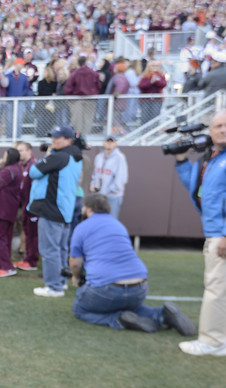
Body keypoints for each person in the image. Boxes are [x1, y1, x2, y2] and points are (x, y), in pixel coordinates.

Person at [69, 193, 195, 335]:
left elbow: (75, 263)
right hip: (139, 287)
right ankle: (162, 314)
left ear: (88, 208)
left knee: (80, 310)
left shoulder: (82, 227)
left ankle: (118, 319)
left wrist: (76, 277)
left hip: (107, 289)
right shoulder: (118, 225)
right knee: (130, 307)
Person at [174, 110, 226, 356]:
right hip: (214, 230)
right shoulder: (212, 158)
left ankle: (212, 341)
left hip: (220, 233)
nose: (222, 129)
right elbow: (196, 187)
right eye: (218, 125)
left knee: (216, 287)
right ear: (210, 131)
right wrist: (182, 160)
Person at [28, 125, 83, 297]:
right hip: (65, 209)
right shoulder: (76, 156)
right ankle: (61, 282)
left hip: (52, 208)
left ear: (69, 140)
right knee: (59, 249)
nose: (54, 140)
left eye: (58, 138)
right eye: (53, 137)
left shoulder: (59, 156)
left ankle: (54, 287)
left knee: (49, 249)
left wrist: (49, 154)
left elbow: (33, 172)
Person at [0, 147, 23, 277]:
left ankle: (7, 267)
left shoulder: (8, 170)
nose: (3, 158)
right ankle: (2, 264)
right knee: (5, 238)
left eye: (4, 155)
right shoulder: (15, 169)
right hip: (9, 209)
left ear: (9, 157)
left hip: (0, 209)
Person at [13, 141, 39, 271]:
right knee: (27, 233)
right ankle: (27, 258)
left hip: (32, 207)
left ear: (29, 151)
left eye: (22, 150)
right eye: (18, 150)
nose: (19, 153)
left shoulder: (34, 166)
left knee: (32, 234)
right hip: (24, 205)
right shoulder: (21, 166)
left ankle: (32, 261)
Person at [90, 137, 128, 219]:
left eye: (112, 142)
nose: (109, 143)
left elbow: (121, 178)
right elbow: (95, 174)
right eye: (107, 141)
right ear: (103, 143)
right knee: (98, 220)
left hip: (113, 196)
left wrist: (111, 190)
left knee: (111, 219)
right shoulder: (99, 157)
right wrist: (93, 184)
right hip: (99, 195)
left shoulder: (119, 157)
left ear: (115, 143)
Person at [64, 56, 101, 136]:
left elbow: (68, 87)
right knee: (88, 118)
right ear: (86, 62)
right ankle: (85, 136)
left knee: (77, 120)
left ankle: (79, 136)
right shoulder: (93, 73)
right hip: (90, 99)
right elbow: (98, 86)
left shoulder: (74, 73)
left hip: (77, 99)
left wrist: (70, 97)